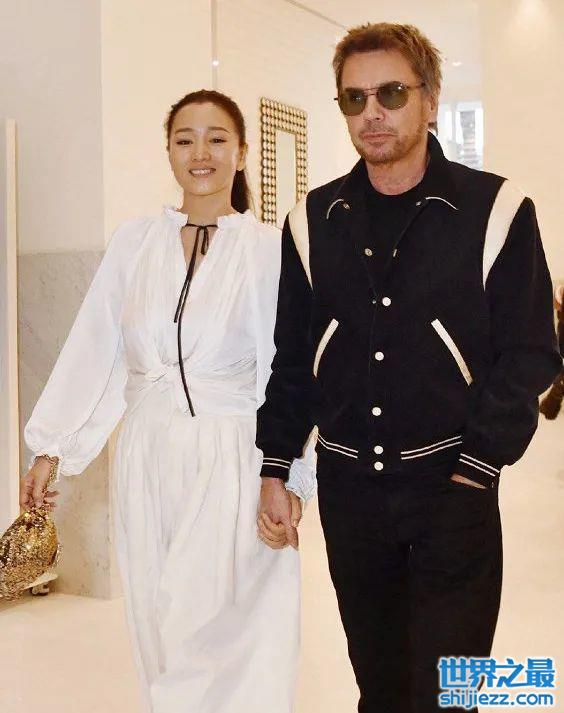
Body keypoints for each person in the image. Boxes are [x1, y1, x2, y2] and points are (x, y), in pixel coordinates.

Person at [256, 22, 561, 713]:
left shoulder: (498, 210)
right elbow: (294, 356)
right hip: (350, 496)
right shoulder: (312, 219)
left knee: (454, 691)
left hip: (454, 486)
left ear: (429, 99)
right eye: (354, 98)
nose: (373, 112)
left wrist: (477, 467)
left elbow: (531, 351)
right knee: (381, 687)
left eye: (391, 93)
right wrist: (276, 463)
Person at [21, 89, 313, 713]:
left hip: (236, 457)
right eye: (185, 139)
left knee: (228, 625)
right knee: (159, 620)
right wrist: (53, 449)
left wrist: (291, 476)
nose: (200, 152)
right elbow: (96, 347)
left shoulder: (268, 248)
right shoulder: (135, 242)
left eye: (216, 139)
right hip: (148, 456)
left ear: (241, 152)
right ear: (169, 151)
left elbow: (290, 369)